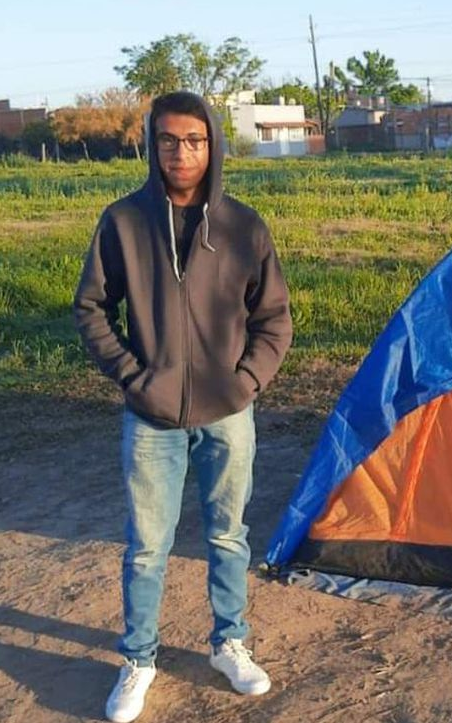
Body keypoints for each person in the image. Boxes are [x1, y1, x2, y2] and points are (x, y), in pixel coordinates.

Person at [74, 91, 292, 723]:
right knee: (147, 544)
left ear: (214, 144)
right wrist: (131, 376)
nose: (182, 152)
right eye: (168, 140)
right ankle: (139, 658)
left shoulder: (243, 226)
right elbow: (91, 308)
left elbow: (273, 319)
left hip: (229, 412)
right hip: (150, 416)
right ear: (152, 144)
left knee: (228, 534)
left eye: (195, 140)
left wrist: (246, 381)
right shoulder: (123, 222)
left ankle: (230, 643)